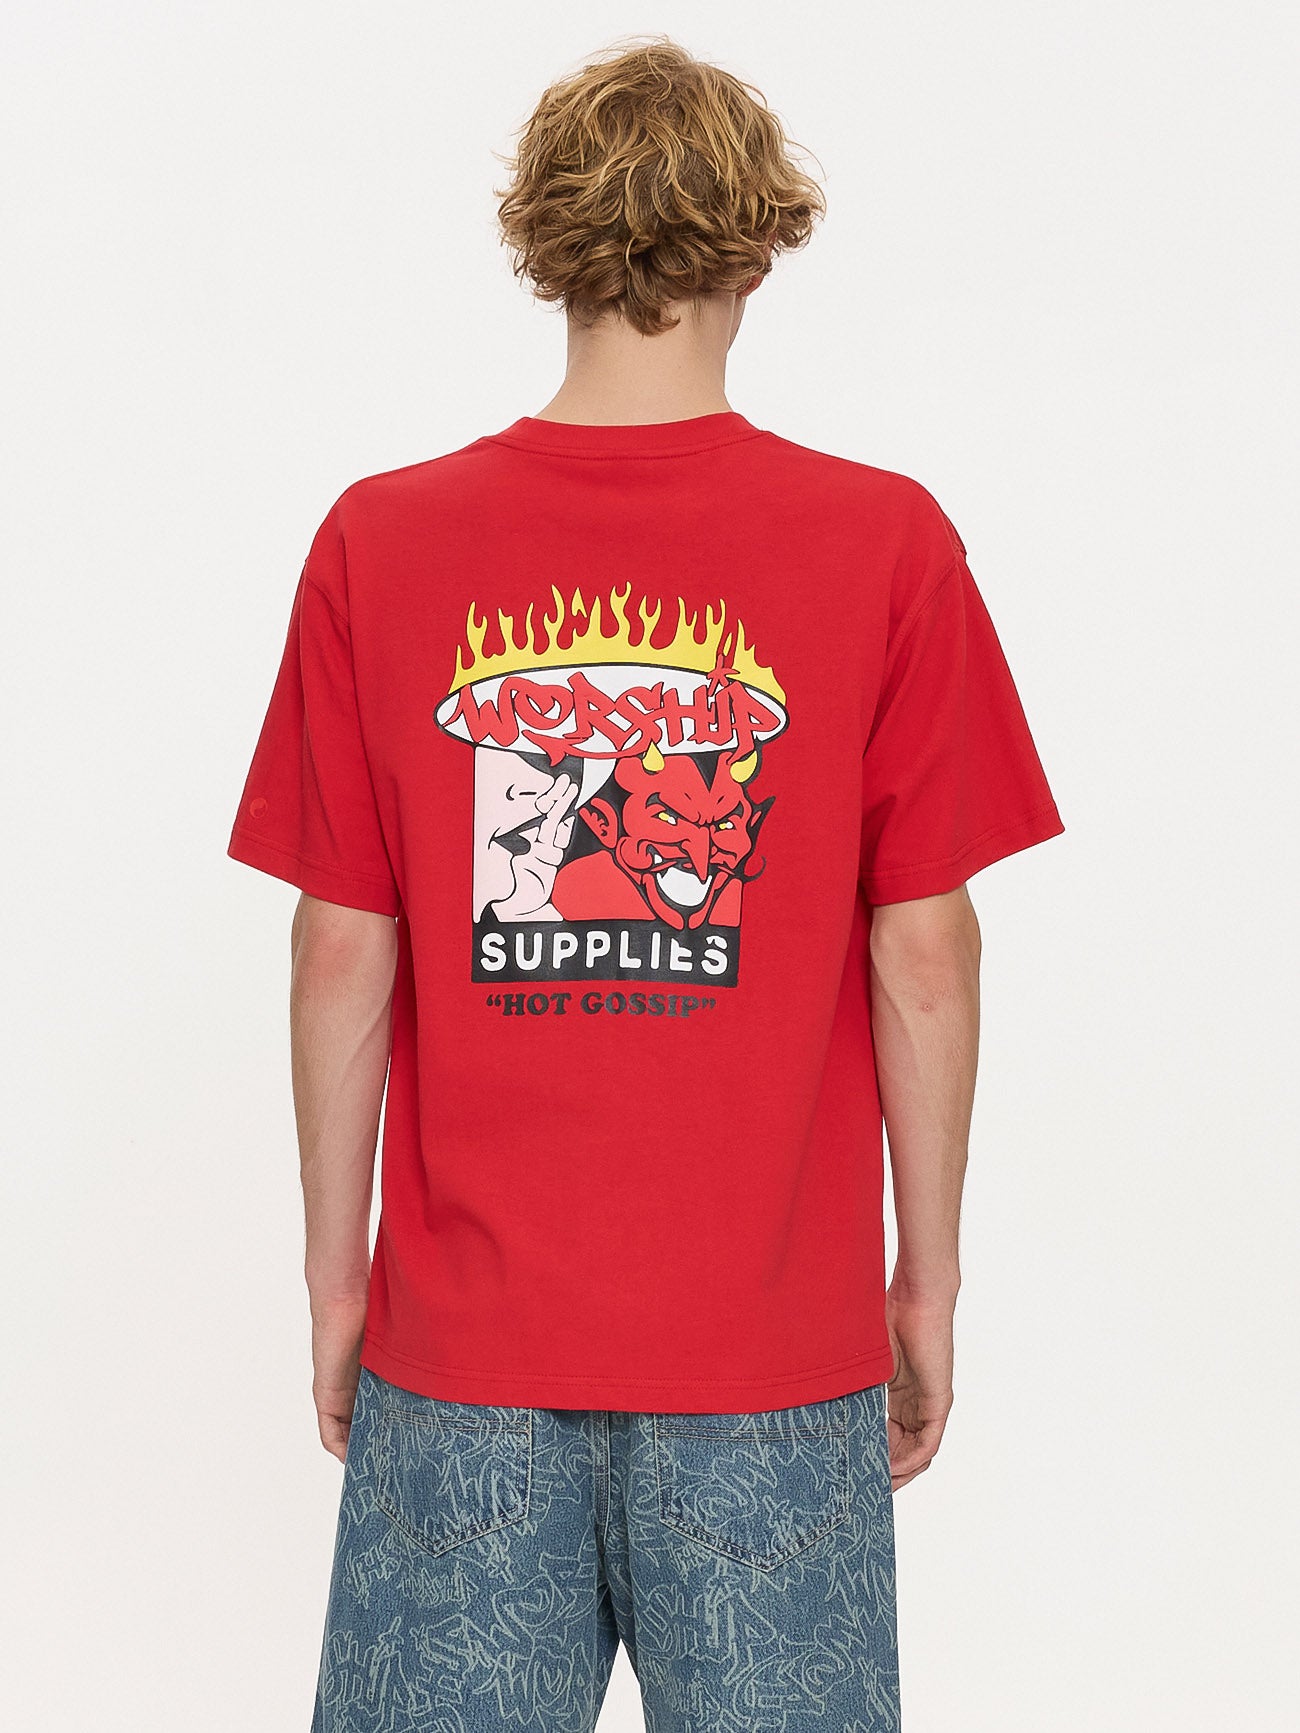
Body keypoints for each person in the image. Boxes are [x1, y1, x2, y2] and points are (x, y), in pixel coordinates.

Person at [227, 36, 1063, 1733]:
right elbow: (924, 954)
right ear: (760, 250)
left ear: (544, 247)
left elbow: (339, 949)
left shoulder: (380, 543)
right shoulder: (884, 544)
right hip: (772, 1368)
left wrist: (339, 1279)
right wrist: (927, 1278)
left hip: (464, 1361)